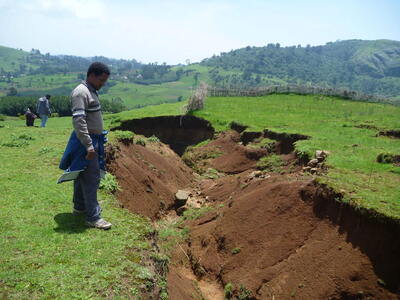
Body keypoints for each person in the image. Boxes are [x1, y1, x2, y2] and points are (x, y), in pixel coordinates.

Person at [61, 62, 112, 230]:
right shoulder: (80, 92)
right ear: (91, 75)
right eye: (101, 80)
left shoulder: (91, 91)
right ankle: (93, 217)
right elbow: (79, 121)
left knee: (81, 175)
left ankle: (80, 207)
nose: (102, 84)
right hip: (86, 142)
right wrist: (89, 146)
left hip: (93, 140)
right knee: (91, 179)